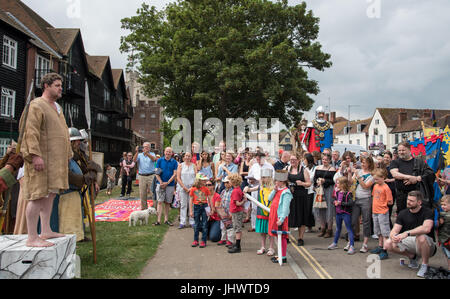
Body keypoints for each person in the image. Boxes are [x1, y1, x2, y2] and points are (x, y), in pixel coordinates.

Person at [20, 72, 72, 247]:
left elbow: (64, 133)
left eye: (61, 85)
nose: (60, 88)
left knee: (50, 194)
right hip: (41, 160)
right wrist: (35, 155)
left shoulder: (58, 108)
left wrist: (67, 155)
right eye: (57, 85)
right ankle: (32, 237)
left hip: (56, 161)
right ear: (46, 86)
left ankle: (46, 230)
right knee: (37, 196)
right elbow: (30, 132)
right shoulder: (37, 106)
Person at [384, 190, 437, 278]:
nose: (408, 202)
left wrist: (407, 233)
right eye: (408, 200)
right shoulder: (403, 213)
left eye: (411, 201)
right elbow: (394, 230)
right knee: (387, 243)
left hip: (428, 245)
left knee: (421, 237)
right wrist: (393, 236)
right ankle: (412, 257)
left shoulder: (427, 212)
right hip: (411, 242)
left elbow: (426, 228)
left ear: (419, 202)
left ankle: (425, 265)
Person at [390, 141, 435, 213]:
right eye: (399, 150)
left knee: (418, 217)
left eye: (403, 150)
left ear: (410, 150)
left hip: (417, 196)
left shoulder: (419, 162)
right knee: (403, 217)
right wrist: (410, 177)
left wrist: (417, 179)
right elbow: (395, 174)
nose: (401, 152)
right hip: (402, 196)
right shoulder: (395, 162)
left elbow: (430, 174)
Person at [244, 168, 276, 256]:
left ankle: (271, 247)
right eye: (262, 177)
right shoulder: (260, 187)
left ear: (269, 178)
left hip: (270, 212)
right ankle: (263, 246)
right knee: (262, 231)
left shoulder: (273, 188)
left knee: (270, 231)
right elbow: (250, 189)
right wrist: (247, 188)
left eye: (264, 177)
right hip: (261, 212)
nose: (262, 179)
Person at [268, 170, 293, 264]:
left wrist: (282, 219)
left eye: (277, 181)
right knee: (277, 237)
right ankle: (280, 254)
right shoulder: (277, 189)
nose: (275, 182)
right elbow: (269, 199)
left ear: (282, 181)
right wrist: (274, 190)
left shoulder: (286, 192)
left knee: (282, 237)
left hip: (279, 217)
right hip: (274, 215)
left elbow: (286, 208)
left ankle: (283, 256)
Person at [287, 152, 312, 246]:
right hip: (289, 196)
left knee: (301, 216)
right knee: (288, 216)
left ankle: (300, 238)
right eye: (291, 160)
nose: (292, 161)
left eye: (294, 159)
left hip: (301, 195)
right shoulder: (286, 168)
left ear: (298, 160)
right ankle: (287, 237)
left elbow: (309, 183)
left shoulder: (303, 170)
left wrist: (302, 183)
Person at [352, 156, 375, 252]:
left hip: (366, 199)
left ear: (369, 163)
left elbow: (365, 186)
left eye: (365, 162)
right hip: (356, 198)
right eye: (362, 162)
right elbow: (351, 182)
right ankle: (351, 242)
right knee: (353, 221)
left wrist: (358, 177)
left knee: (366, 222)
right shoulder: (358, 171)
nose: (363, 164)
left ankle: (365, 244)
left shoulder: (372, 175)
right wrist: (351, 173)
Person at [327, 176, 355, 255]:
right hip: (338, 213)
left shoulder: (348, 193)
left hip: (346, 213)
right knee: (338, 228)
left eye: (338, 183)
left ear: (343, 184)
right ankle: (335, 243)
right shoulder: (338, 192)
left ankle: (352, 246)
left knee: (349, 229)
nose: (336, 184)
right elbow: (334, 200)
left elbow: (351, 203)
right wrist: (335, 202)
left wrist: (340, 203)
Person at [370, 168, 393, 260]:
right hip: (375, 211)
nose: (375, 181)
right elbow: (374, 196)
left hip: (382, 212)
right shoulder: (376, 186)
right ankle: (380, 246)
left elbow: (390, 201)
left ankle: (385, 249)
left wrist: (383, 204)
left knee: (384, 232)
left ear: (383, 178)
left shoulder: (386, 187)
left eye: (377, 179)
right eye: (374, 179)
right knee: (378, 231)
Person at [313, 153, 336, 238]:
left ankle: (329, 229)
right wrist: (317, 182)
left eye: (326, 160)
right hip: (319, 190)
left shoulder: (332, 169)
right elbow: (315, 178)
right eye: (323, 159)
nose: (324, 161)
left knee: (329, 209)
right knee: (319, 208)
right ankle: (322, 228)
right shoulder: (318, 168)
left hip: (328, 190)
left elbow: (333, 181)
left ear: (329, 160)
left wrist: (324, 181)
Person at [155, 147, 178, 226]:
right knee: (160, 202)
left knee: (167, 202)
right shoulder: (160, 160)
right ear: (164, 152)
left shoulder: (174, 162)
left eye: (169, 152)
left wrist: (167, 183)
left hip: (170, 185)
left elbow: (175, 174)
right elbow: (157, 173)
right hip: (160, 184)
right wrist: (161, 182)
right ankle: (158, 220)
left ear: (172, 153)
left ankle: (166, 219)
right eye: (167, 151)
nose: (168, 153)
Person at [189, 173, 211, 248]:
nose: (205, 181)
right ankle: (195, 240)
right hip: (196, 207)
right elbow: (191, 200)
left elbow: (209, 198)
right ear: (199, 180)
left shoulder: (206, 189)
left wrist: (210, 208)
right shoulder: (193, 189)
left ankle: (203, 240)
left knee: (204, 224)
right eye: (203, 180)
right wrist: (191, 211)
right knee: (196, 224)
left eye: (205, 180)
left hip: (204, 206)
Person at [133, 142, 157, 210]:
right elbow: (134, 160)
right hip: (142, 176)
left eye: (147, 147)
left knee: (153, 192)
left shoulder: (152, 154)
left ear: (149, 148)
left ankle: (156, 208)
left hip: (151, 175)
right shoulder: (140, 155)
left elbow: (154, 159)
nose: (145, 148)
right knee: (142, 193)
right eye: (144, 147)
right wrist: (137, 152)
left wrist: (147, 154)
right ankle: (144, 209)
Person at [177, 152, 196, 229]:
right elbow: (178, 177)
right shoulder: (180, 165)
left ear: (191, 157)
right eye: (186, 156)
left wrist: (192, 187)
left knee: (192, 205)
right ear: (184, 157)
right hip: (183, 188)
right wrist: (184, 187)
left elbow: (196, 177)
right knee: (183, 205)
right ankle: (182, 222)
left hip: (192, 188)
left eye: (189, 156)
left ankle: (192, 221)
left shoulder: (194, 166)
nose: (187, 157)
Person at [227, 173, 246, 253]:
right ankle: (236, 244)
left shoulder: (235, 191)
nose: (229, 183)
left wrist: (243, 201)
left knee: (237, 228)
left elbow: (237, 203)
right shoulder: (238, 189)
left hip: (236, 212)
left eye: (230, 181)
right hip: (236, 211)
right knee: (236, 228)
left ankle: (238, 246)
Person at [217, 177, 234, 248]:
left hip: (229, 211)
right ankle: (223, 238)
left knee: (230, 226)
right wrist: (219, 210)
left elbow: (233, 203)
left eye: (227, 182)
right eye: (225, 183)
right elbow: (220, 200)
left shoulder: (232, 191)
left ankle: (230, 240)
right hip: (223, 211)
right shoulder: (223, 191)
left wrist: (231, 212)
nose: (226, 184)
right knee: (223, 226)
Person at [383, 151, 396, 227]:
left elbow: (396, 178)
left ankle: (390, 227)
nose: (386, 159)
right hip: (383, 190)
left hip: (391, 189)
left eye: (387, 157)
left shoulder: (393, 167)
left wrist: (389, 180)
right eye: (385, 157)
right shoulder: (382, 167)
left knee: (389, 209)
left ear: (391, 158)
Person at [437, 195, 450, 270]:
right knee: (447, 256)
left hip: (447, 240)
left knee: (449, 256)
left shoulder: (445, 215)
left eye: (445, 204)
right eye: (441, 205)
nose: (442, 206)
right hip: (443, 240)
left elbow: (445, 216)